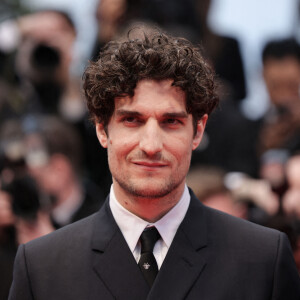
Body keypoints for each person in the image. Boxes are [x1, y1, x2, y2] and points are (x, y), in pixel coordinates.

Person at [9, 28, 300, 299]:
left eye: (170, 122)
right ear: (101, 129)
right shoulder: (41, 266)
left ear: (197, 131)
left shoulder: (263, 258)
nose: (150, 145)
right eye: (131, 120)